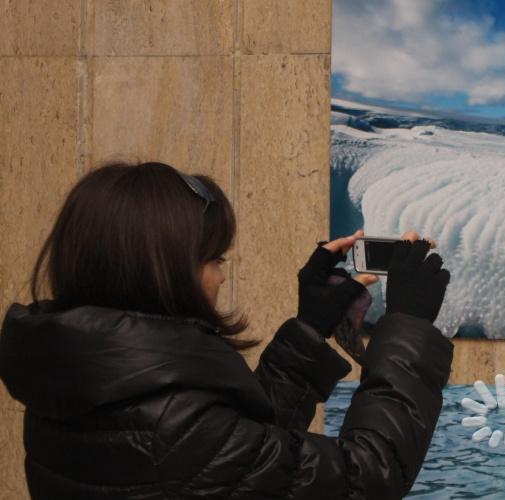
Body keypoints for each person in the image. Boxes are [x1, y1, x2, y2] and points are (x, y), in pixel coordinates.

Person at [0, 162, 453, 499]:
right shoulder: (175, 427)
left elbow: (241, 463)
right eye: (215, 259)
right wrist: (409, 326)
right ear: (165, 272)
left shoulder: (77, 384)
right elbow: (367, 476)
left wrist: (310, 329)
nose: (220, 277)